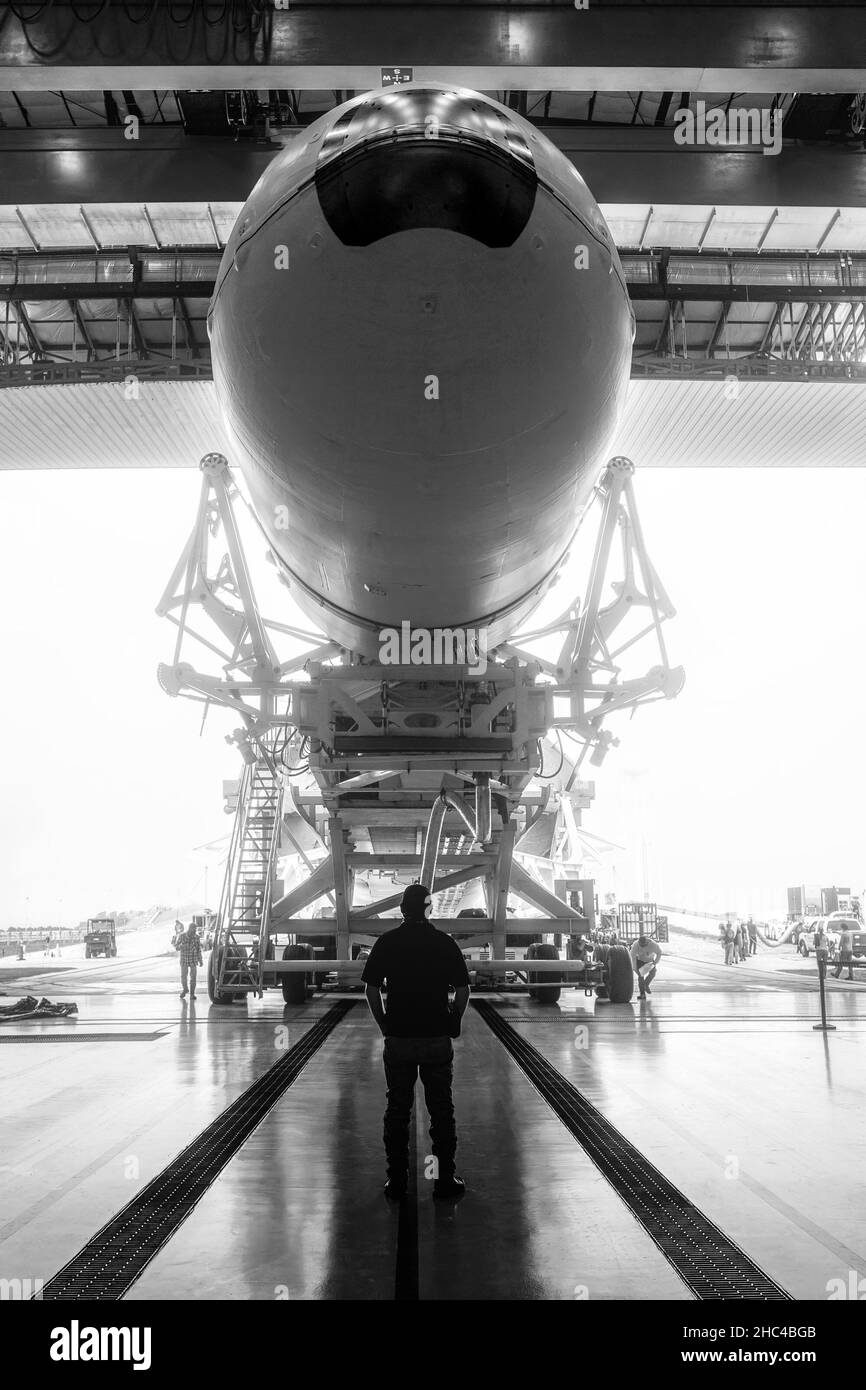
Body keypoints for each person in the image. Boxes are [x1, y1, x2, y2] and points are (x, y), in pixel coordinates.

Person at [362, 884, 471, 1202]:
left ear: (401, 910)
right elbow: (463, 991)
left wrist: (384, 1022)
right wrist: (453, 1020)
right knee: (441, 1112)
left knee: (397, 1111)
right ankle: (442, 1180)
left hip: (399, 1039)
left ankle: (397, 1183)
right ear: (429, 909)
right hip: (436, 1038)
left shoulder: (387, 942)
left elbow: (371, 989)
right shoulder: (444, 943)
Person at [630, 935, 662, 999]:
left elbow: (659, 952)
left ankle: (646, 984)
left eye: (643, 945)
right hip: (640, 960)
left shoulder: (653, 944)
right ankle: (642, 994)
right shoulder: (636, 944)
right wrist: (634, 968)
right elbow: (632, 956)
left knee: (653, 973)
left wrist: (655, 962)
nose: (642, 946)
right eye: (640, 945)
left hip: (650, 961)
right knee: (640, 976)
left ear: (647, 942)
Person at [177, 920, 203, 999]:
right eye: (193, 929)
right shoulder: (182, 936)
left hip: (193, 960)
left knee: (193, 978)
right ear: (189, 928)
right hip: (184, 959)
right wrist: (181, 946)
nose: (194, 931)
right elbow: (176, 946)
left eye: (195, 929)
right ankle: (185, 989)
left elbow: (198, 949)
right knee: (183, 977)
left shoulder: (197, 937)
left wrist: (200, 960)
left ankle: (192, 994)